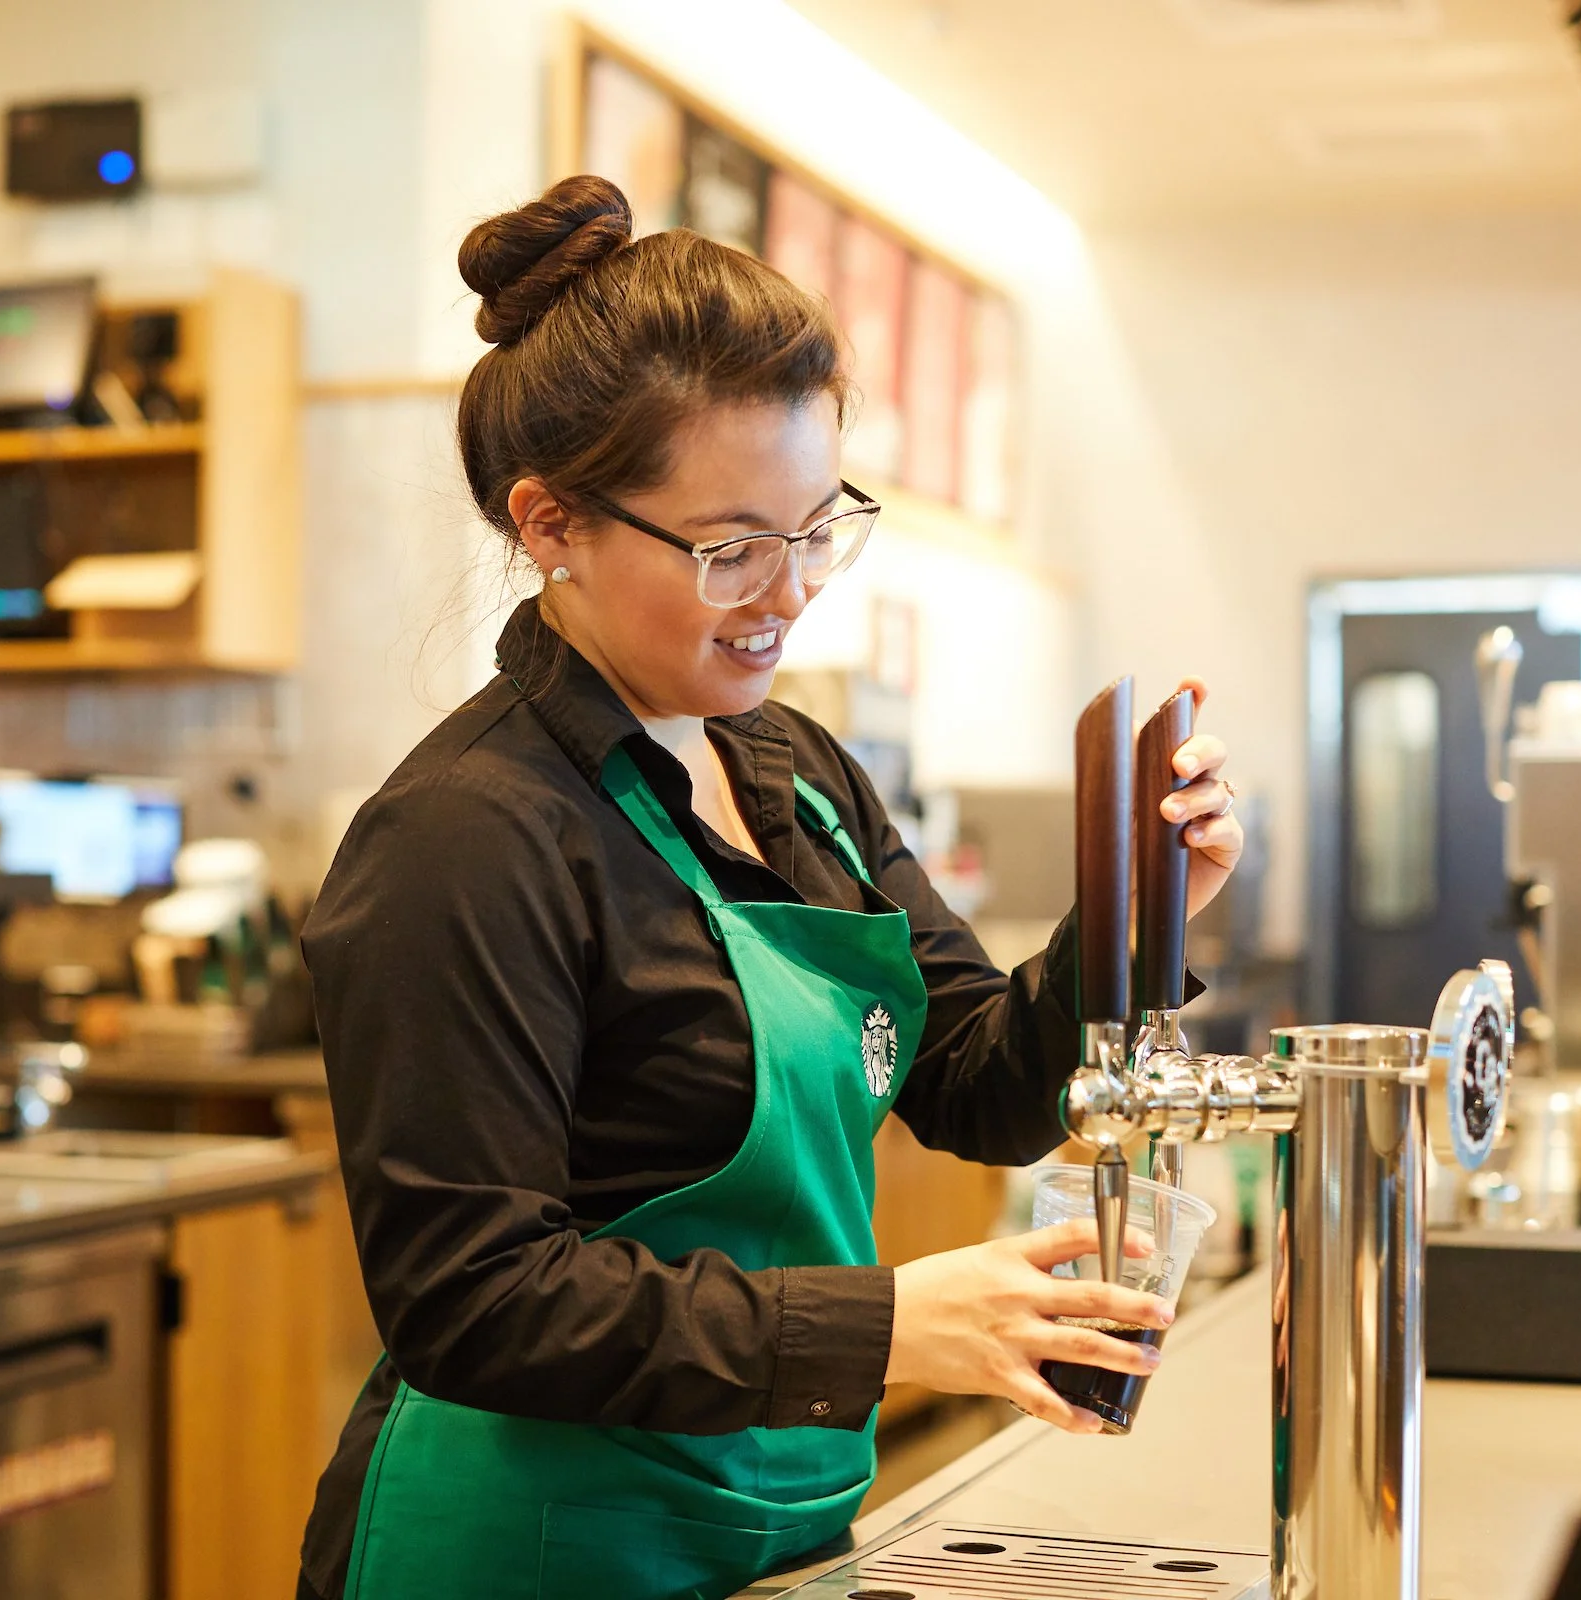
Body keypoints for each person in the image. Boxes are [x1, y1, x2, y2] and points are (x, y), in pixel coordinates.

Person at [295, 175, 1244, 1600]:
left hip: (766, 1527)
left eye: (817, 530)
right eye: (730, 547)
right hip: (528, 1548)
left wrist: (1134, 916)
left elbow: (978, 1083)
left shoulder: (796, 771)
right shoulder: (466, 836)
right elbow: (471, 1301)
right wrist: (879, 1330)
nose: (790, 592)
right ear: (551, 523)